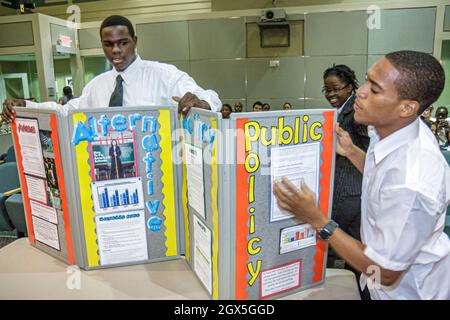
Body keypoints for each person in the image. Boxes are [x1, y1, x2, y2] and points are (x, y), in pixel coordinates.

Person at [273, 50, 450, 300]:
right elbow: (384, 178)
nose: (361, 92)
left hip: (405, 292)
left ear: (407, 107)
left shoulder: (413, 180)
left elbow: (385, 272)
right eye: (367, 80)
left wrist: (316, 219)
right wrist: (352, 152)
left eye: (375, 89)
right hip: (375, 282)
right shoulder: (391, 128)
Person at [1, 15, 221, 124]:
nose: (116, 50)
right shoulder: (98, 85)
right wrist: (26, 105)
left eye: (123, 42)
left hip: (155, 177)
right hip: (108, 175)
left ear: (135, 41)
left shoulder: (164, 75)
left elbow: (210, 98)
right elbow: (66, 110)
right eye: (108, 44)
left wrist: (202, 103)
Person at [321, 65, 369, 285]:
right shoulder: (342, 109)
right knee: (348, 240)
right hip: (345, 186)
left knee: (336, 239)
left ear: (350, 87)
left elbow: (366, 148)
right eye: (327, 90)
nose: (331, 94)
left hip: (351, 188)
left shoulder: (357, 112)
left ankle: (342, 284)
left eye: (336, 89)